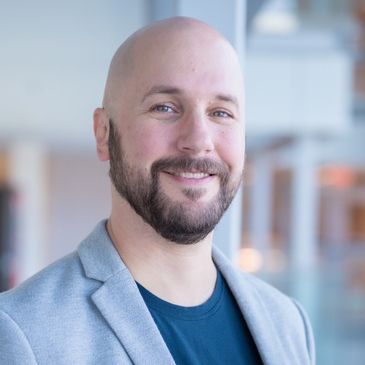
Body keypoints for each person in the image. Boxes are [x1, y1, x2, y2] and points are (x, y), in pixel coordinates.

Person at [0, 17, 315, 365]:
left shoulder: (287, 323)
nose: (198, 141)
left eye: (221, 112)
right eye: (164, 107)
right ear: (104, 133)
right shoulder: (24, 332)